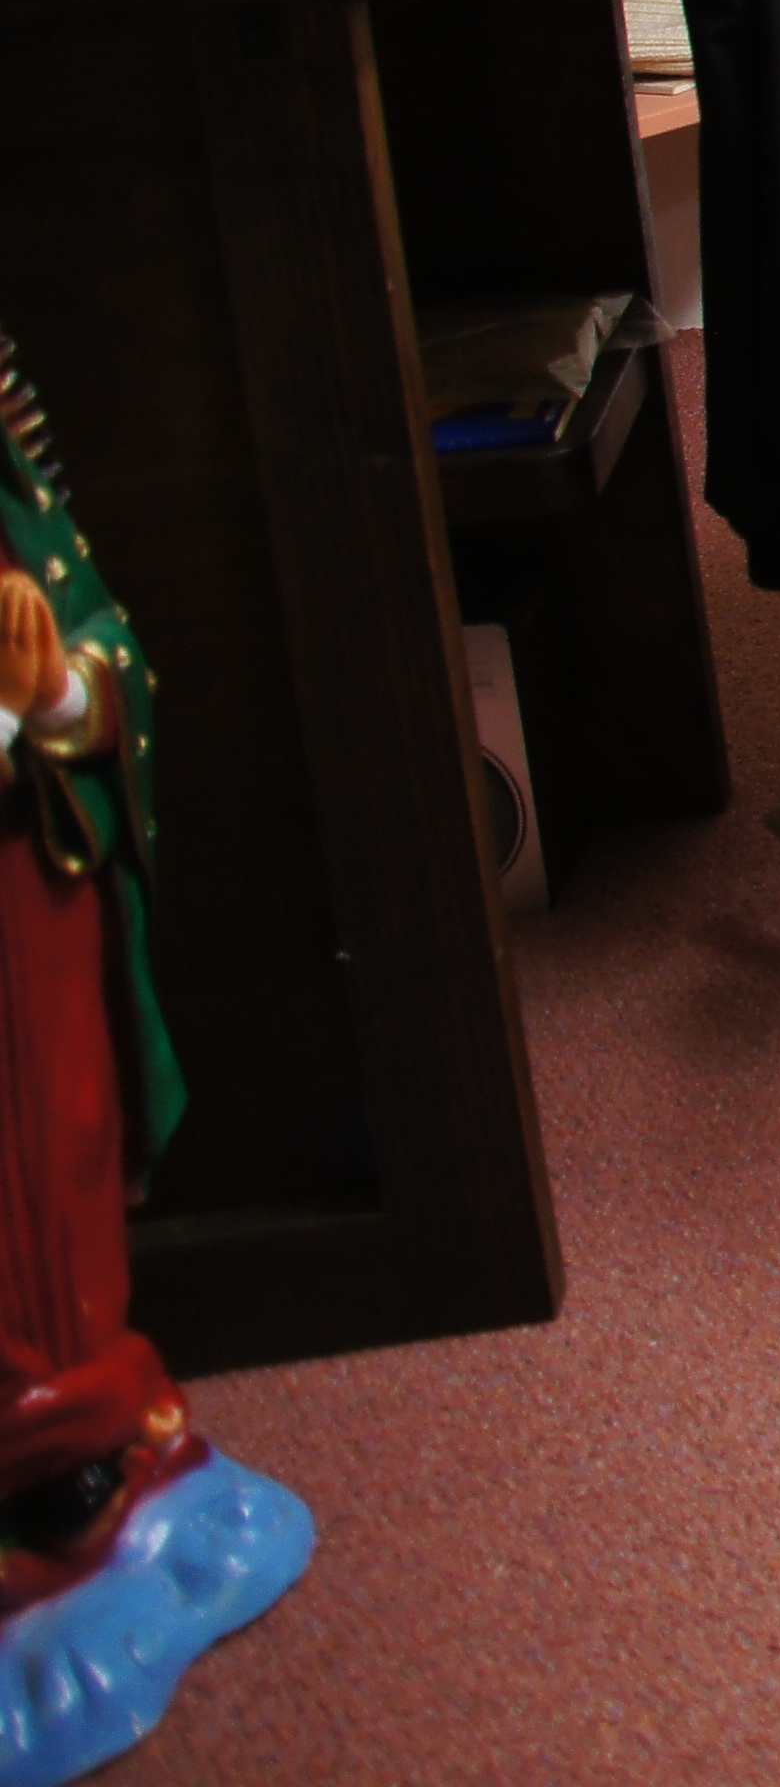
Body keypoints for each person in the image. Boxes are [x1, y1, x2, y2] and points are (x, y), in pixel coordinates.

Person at [0, 334, 310, 1783]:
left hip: (22, 923)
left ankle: (70, 1450)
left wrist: (52, 693)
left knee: (45, 1159)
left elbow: (105, 649)